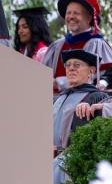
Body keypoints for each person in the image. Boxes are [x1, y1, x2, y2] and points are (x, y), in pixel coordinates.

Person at [53, 50, 109, 184]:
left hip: (70, 165)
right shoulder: (57, 99)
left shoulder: (97, 97)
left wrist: (98, 106)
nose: (71, 68)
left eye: (77, 65)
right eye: (68, 65)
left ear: (91, 71)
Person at [43, 0, 112, 92]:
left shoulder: (97, 44)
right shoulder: (57, 46)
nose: (71, 17)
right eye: (68, 13)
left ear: (88, 18)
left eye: (76, 13)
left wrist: (103, 83)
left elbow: (108, 75)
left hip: (85, 103)